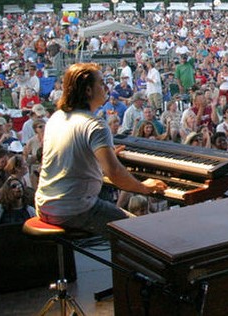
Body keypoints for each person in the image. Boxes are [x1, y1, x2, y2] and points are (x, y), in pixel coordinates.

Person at [35, 63, 167, 236]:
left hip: (44, 204)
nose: (106, 87)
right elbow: (114, 172)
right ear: (89, 90)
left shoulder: (56, 117)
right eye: (101, 83)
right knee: (141, 232)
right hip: (73, 210)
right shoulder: (95, 124)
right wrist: (144, 187)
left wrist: (106, 155)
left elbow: (71, 158)